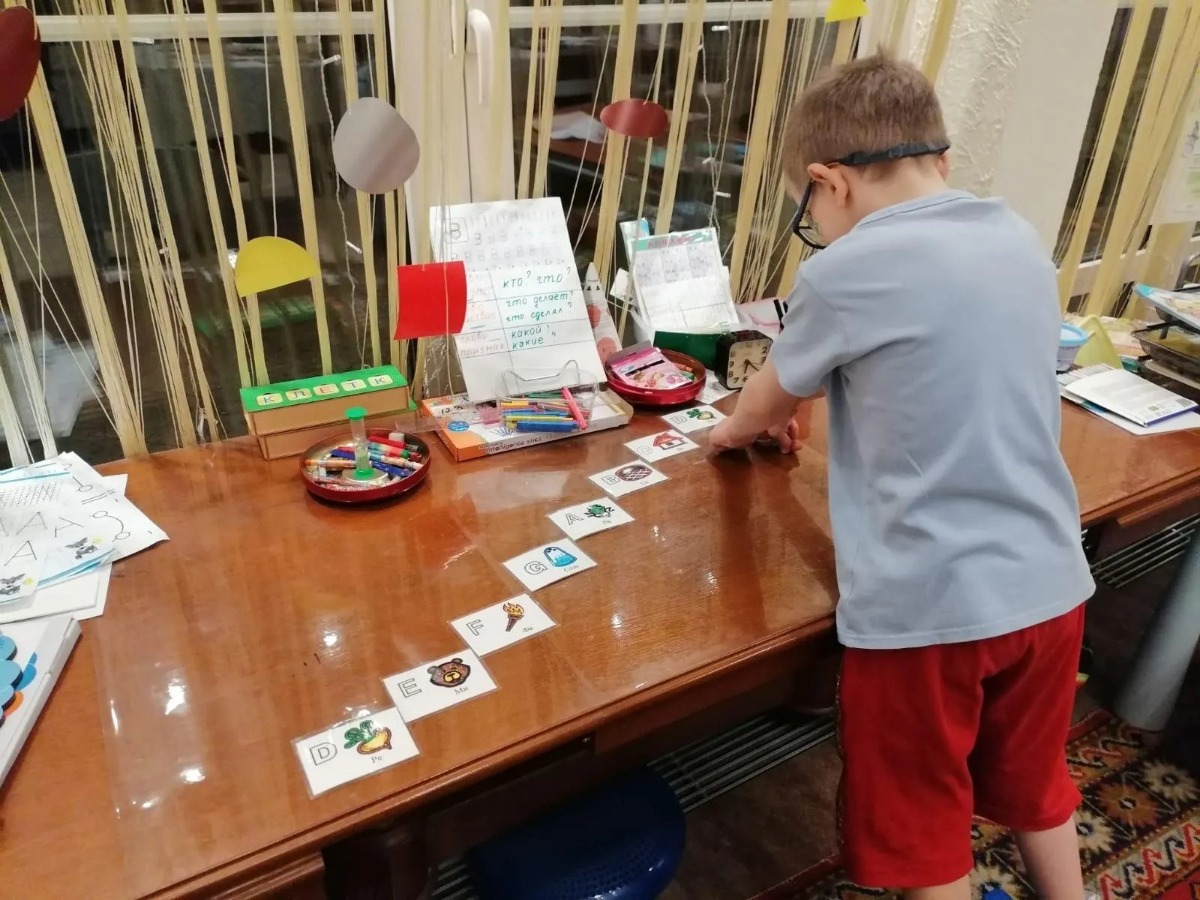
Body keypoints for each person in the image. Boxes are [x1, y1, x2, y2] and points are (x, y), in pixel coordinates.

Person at [708, 53, 1096, 900]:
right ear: (941, 161)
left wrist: (732, 429)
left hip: (929, 612)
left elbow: (760, 402)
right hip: (1052, 584)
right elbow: (932, 361)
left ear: (829, 182)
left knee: (922, 829)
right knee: (1037, 783)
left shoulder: (844, 270)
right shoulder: (1017, 237)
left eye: (808, 211)